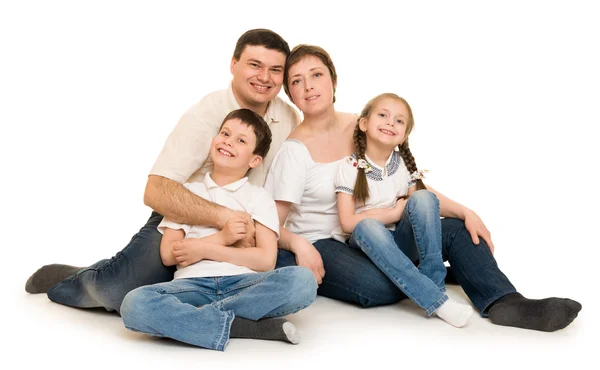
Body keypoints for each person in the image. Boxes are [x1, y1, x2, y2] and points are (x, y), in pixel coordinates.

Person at [265, 44, 582, 332]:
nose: (308, 86)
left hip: (387, 232)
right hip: (328, 243)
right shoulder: (295, 150)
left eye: (316, 75)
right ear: (289, 94)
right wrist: (300, 246)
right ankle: (431, 276)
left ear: (333, 80)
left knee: (458, 230)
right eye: (296, 81)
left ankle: (504, 301)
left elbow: (415, 187)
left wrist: (465, 211)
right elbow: (270, 222)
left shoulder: (367, 124)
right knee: (381, 287)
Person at [25, 29, 304, 340]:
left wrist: (292, 240)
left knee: (293, 276)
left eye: (275, 69)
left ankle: (204, 315)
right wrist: (226, 220)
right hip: (185, 221)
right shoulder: (205, 116)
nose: (264, 77)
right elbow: (156, 191)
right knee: (117, 291)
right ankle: (82, 278)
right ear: (234, 64)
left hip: (247, 233)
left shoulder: (287, 117)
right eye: (254, 65)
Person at [120, 109, 316, 350]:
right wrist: (222, 238)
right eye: (225, 133)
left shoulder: (259, 198)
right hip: (191, 285)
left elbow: (265, 260)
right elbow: (168, 254)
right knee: (134, 303)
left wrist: (203, 248)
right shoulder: (187, 193)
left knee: (303, 281)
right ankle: (242, 326)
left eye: (240, 140)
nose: (228, 141)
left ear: (254, 160)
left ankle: (198, 321)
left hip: (243, 284)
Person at [332, 92, 473, 327]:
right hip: (367, 244)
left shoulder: (403, 166)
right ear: (364, 123)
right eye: (383, 115)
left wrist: (464, 211)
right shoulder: (350, 166)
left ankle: (434, 284)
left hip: (399, 240)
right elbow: (348, 223)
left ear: (404, 136)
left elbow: (424, 206)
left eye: (399, 120)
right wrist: (394, 213)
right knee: (367, 225)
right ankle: (436, 301)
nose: (390, 122)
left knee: (424, 197)